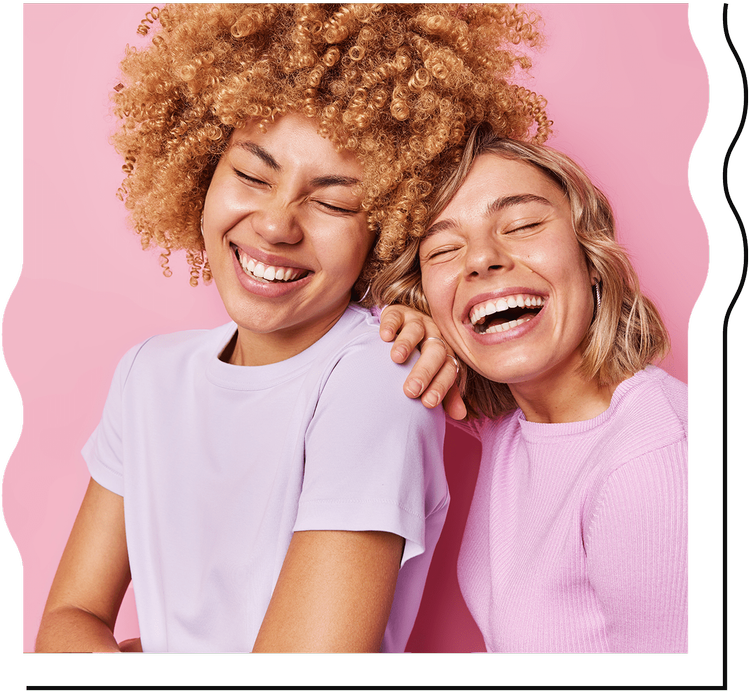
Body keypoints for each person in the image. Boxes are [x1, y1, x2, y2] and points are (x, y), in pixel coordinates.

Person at [35, 5, 549, 653]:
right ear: (200, 169)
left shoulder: (382, 375)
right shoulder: (149, 374)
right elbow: (65, 622)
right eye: (251, 174)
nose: (277, 225)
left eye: (334, 201)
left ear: (390, 226)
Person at [375, 123, 689, 653]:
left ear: (591, 258)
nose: (481, 259)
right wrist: (411, 323)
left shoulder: (651, 465)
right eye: (444, 250)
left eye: (521, 224)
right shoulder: (511, 425)